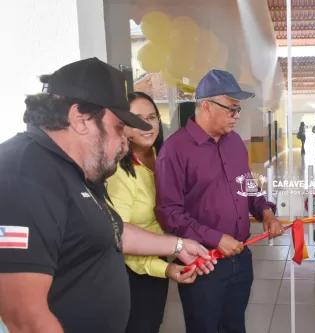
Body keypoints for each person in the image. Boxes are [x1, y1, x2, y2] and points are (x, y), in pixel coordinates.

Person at [0, 58, 216, 333]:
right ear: (80, 119)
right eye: (117, 128)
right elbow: (23, 317)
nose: (124, 142)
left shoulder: (75, 169)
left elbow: (111, 230)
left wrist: (177, 246)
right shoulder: (23, 174)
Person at [154, 69, 283, 333]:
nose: (237, 116)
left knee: (235, 325)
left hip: (240, 257)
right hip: (204, 262)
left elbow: (246, 184)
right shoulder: (175, 150)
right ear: (206, 106)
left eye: (239, 110)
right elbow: (169, 212)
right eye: (232, 109)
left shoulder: (234, 142)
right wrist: (214, 238)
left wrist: (265, 211)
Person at [105, 91, 194, 333]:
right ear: (122, 125)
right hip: (132, 270)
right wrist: (164, 268)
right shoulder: (119, 173)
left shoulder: (164, 156)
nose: (147, 125)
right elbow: (120, 236)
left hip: (162, 255)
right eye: (136, 118)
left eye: (152, 117)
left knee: (153, 322)